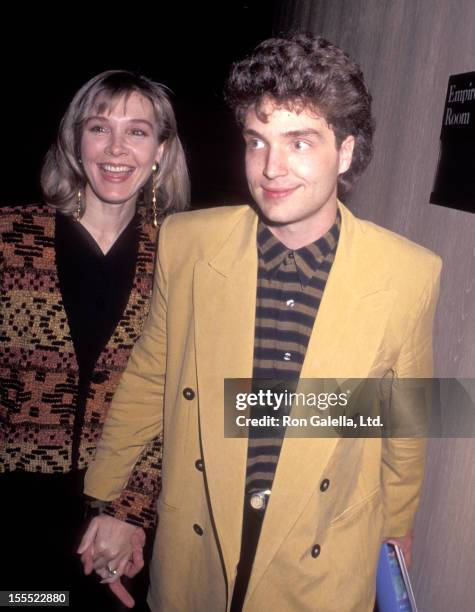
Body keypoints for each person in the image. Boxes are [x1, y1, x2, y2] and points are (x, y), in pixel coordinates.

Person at [83, 34, 442, 611]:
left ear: (345, 152)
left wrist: (396, 533)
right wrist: (104, 497)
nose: (272, 168)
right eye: (258, 141)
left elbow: (403, 421)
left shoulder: (409, 274)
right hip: (201, 537)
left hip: (319, 554)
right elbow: (151, 377)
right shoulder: (189, 243)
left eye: (300, 142)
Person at [0, 69, 189, 610]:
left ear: (160, 150)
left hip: (119, 522)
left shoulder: (178, 257)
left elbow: (174, 398)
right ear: (74, 140)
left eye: (137, 131)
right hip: (17, 517)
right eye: (99, 127)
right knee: (27, 602)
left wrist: (129, 512)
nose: (115, 148)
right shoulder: (13, 236)